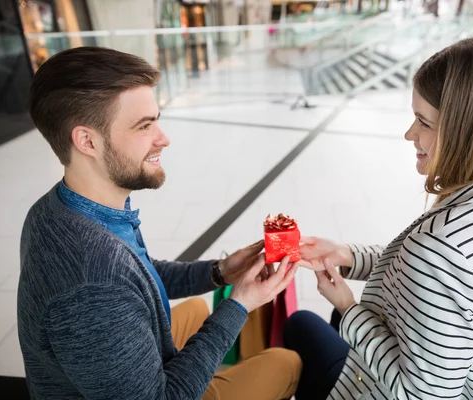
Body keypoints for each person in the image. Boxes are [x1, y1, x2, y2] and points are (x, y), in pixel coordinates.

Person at [18, 46, 301, 400]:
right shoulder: (93, 282)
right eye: (144, 126)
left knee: (198, 307)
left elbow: (138, 275)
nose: (163, 138)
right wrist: (238, 304)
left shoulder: (58, 207)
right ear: (87, 140)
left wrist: (219, 273)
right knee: (285, 363)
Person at [284, 34, 473, 400]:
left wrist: (347, 305)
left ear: (472, 132)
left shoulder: (446, 248)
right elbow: (431, 280)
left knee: (301, 324)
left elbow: (418, 393)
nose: (410, 134)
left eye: (423, 122)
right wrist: (348, 255)